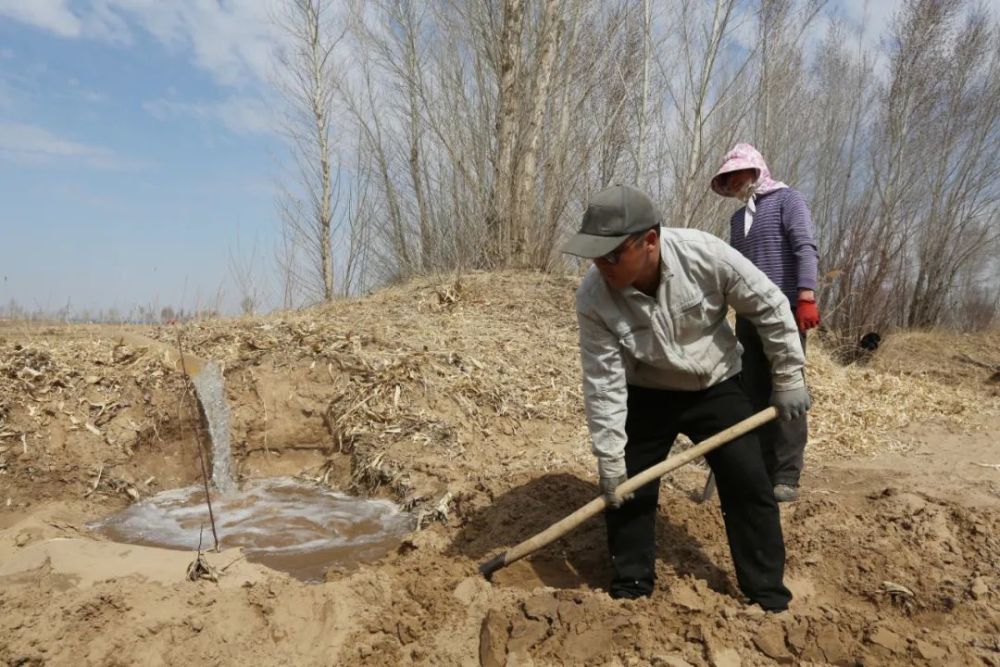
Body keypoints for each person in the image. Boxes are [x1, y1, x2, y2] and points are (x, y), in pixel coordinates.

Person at [561, 184, 810, 610]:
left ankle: (766, 594)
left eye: (612, 255)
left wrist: (789, 377)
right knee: (629, 488)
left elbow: (770, 304)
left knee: (749, 483)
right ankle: (631, 588)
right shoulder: (593, 298)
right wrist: (609, 460)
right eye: (594, 256)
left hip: (716, 383)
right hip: (648, 391)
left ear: (650, 241)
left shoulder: (704, 255)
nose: (600, 266)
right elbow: (603, 384)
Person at [711, 143, 820, 502]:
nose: (733, 183)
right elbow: (732, 269)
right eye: (727, 179)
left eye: (737, 175)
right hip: (749, 314)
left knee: (786, 386)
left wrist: (806, 296)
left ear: (755, 171)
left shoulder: (788, 201)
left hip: (785, 309)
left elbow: (805, 246)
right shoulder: (737, 220)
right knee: (754, 388)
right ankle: (762, 464)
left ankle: (787, 473)